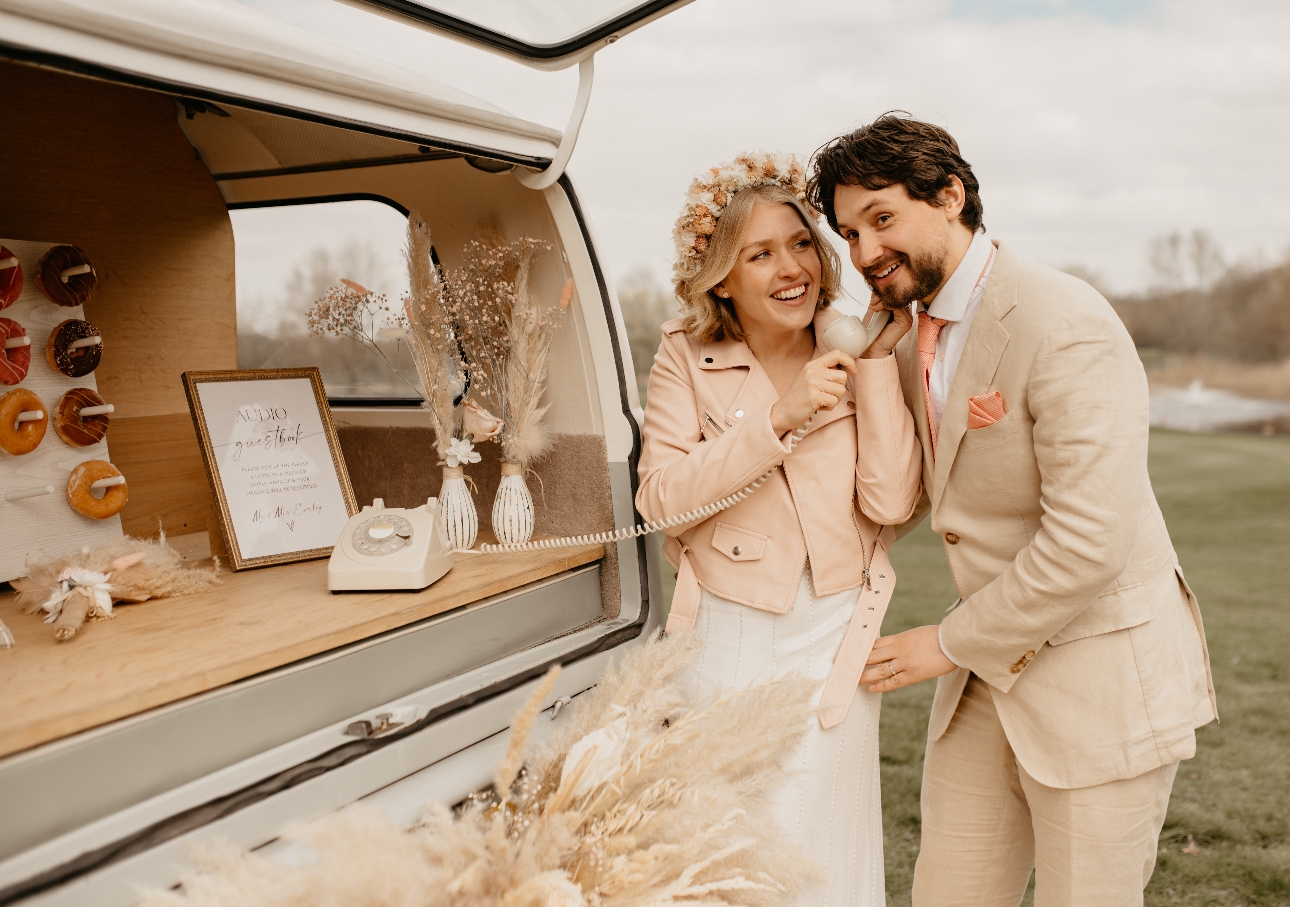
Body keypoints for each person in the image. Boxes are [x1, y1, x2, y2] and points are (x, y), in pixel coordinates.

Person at [806, 114, 1217, 906]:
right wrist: (863, 358)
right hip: (987, 687)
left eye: (882, 219)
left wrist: (945, 642)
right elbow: (900, 497)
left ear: (951, 195)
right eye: (850, 233)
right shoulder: (903, 333)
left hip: (1097, 679)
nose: (863, 254)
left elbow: (1090, 543)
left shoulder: (1065, 322)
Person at [636, 152, 922, 905]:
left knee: (825, 854)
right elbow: (660, 499)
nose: (790, 267)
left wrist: (880, 368)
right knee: (739, 853)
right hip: (730, 638)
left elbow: (891, 502)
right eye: (759, 254)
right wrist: (778, 418)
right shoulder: (684, 357)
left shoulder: (852, 348)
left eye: (800, 244)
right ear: (722, 275)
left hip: (837, 637)